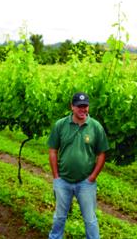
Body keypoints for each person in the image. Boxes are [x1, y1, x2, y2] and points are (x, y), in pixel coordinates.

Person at [48, 92, 109, 239]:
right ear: (72, 107)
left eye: (85, 106)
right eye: (79, 106)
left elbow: (102, 154)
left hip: (85, 183)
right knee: (59, 218)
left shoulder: (95, 127)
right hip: (63, 181)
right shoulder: (60, 125)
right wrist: (56, 177)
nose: (83, 109)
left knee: (90, 220)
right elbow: (53, 151)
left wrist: (92, 177)